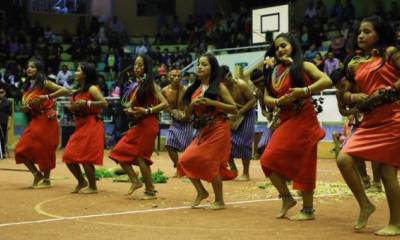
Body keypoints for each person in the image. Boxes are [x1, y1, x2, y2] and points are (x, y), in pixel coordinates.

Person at [337, 16, 400, 236]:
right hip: (369, 120)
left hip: (393, 117)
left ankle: (396, 223)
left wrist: (389, 90)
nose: (360, 36)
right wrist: (354, 97)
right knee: (343, 159)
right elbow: (343, 94)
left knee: (387, 173)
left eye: (367, 31)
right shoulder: (356, 63)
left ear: (379, 34)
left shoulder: (391, 53)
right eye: (359, 32)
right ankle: (366, 204)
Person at [260, 33, 332, 220]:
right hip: (286, 120)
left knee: (305, 162)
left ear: (293, 46)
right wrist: (278, 101)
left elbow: (327, 81)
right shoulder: (274, 71)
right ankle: (286, 198)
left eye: (283, 45)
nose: (280, 50)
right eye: (277, 48)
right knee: (266, 160)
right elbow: (266, 98)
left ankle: (308, 210)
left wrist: (304, 91)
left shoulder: (304, 65)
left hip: (304, 119)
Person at [177, 53, 238, 210]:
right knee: (184, 160)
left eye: (204, 64)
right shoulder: (195, 89)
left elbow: (234, 109)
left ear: (212, 68)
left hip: (219, 128)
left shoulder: (219, 87)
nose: (200, 67)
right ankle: (202, 192)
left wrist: (212, 102)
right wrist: (193, 104)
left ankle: (219, 201)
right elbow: (187, 114)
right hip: (204, 131)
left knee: (211, 163)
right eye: (199, 64)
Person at [109, 55, 168, 199]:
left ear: (146, 68)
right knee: (118, 152)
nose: (136, 68)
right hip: (138, 124)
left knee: (141, 158)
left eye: (140, 65)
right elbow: (134, 107)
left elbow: (165, 104)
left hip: (148, 124)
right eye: (135, 65)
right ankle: (135, 181)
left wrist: (147, 111)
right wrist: (131, 112)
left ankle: (150, 190)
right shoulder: (135, 85)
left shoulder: (151, 85)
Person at [15, 58, 69, 188]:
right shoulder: (28, 85)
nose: (29, 69)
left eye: (32, 67)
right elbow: (29, 104)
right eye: (28, 67)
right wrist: (26, 108)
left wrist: (47, 97)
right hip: (34, 119)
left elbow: (64, 90)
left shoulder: (44, 82)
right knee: (20, 150)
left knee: (45, 149)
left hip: (46, 119)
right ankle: (36, 174)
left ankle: (46, 179)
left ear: (38, 70)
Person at [63, 62, 108, 194]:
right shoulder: (78, 90)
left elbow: (104, 103)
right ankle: (82, 181)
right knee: (68, 156)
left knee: (86, 157)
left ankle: (93, 187)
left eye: (78, 70)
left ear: (85, 74)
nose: (75, 73)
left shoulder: (92, 88)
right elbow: (75, 108)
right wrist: (72, 108)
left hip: (92, 124)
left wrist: (87, 103)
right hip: (80, 124)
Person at [220, 65, 256, 181]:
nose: (224, 82)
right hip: (231, 115)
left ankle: (246, 173)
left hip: (247, 114)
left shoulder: (240, 84)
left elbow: (252, 100)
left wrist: (240, 112)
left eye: (225, 79)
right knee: (226, 143)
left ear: (229, 75)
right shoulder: (222, 87)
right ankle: (233, 168)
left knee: (244, 143)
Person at [162, 68, 193, 176]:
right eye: (174, 76)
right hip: (174, 122)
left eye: (179, 76)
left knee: (188, 149)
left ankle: (189, 170)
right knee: (169, 144)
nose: (176, 78)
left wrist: (185, 114)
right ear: (168, 77)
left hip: (187, 121)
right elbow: (163, 105)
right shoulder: (164, 91)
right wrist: (172, 111)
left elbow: (190, 105)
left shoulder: (185, 90)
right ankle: (179, 167)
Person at [0, 85, 12, 159]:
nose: (0, 93)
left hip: (3, 122)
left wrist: (9, 123)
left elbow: (10, 114)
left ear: (5, 93)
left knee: (3, 137)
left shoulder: (8, 102)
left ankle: (3, 152)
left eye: (1, 92)